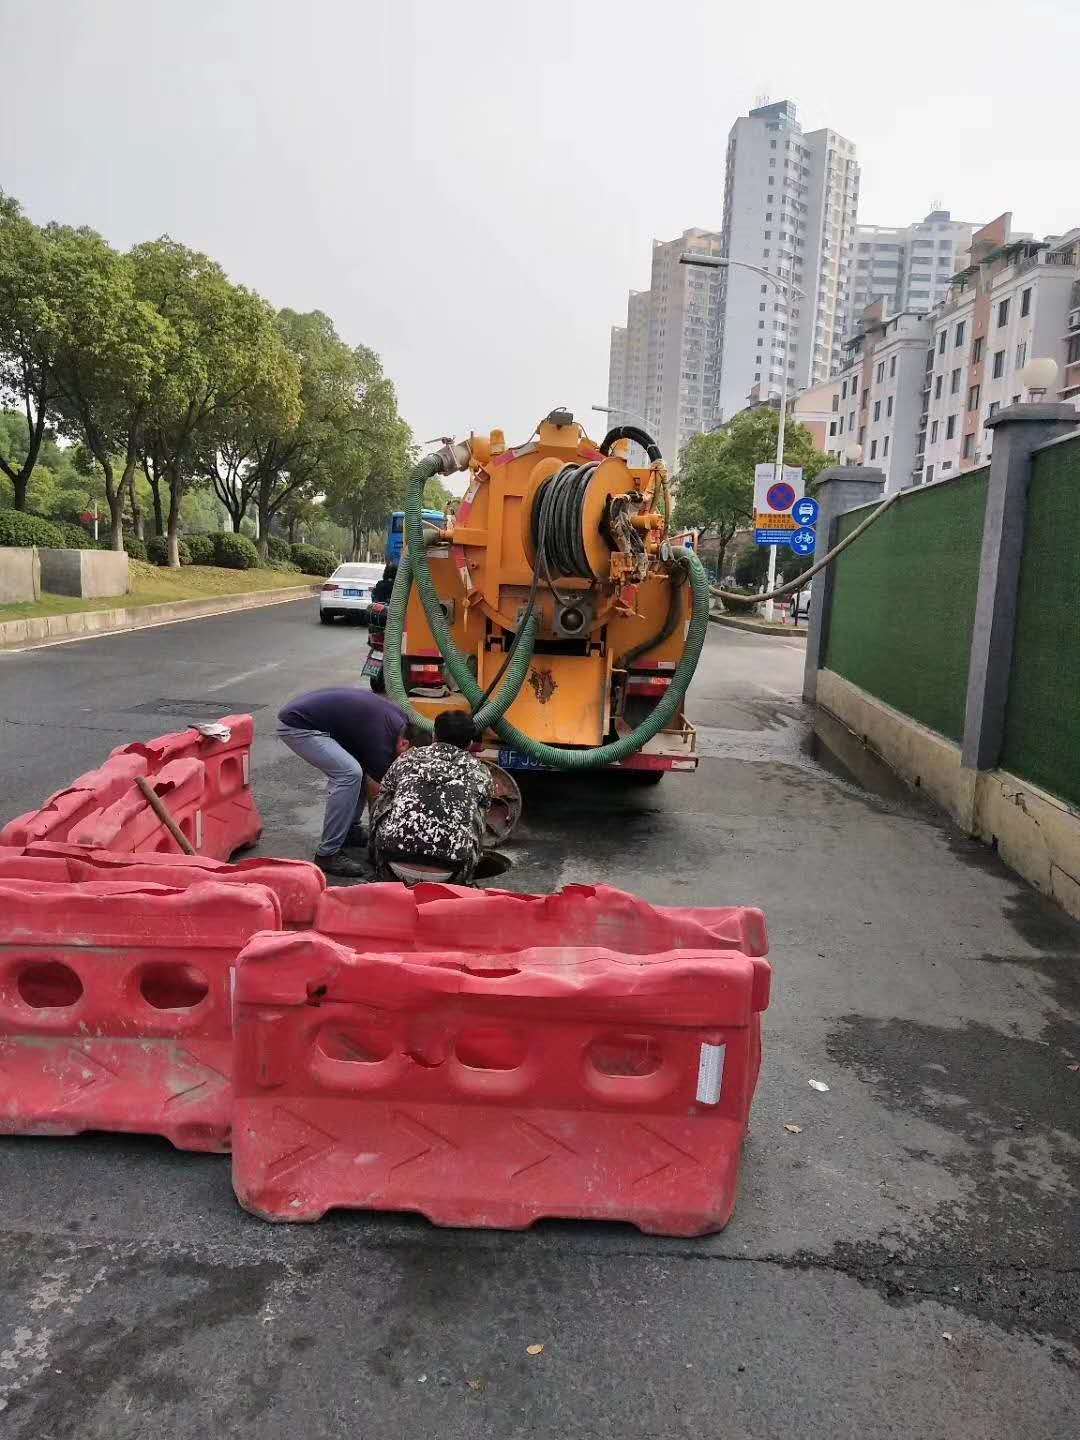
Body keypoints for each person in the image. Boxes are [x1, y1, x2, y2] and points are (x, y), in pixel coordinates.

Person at [277, 686, 427, 878]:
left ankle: (349, 831)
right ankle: (328, 854)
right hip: (298, 724)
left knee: (360, 768)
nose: (406, 764)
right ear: (404, 744)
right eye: (408, 758)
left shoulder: (401, 725)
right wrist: (379, 842)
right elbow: (378, 793)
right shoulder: (380, 740)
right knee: (349, 774)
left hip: (313, 716)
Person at [370, 709, 494, 886]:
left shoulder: (406, 759)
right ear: (470, 743)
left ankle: (377, 867)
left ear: (434, 735)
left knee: (386, 796)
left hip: (394, 864)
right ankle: (465, 881)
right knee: (478, 808)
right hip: (450, 871)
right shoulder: (480, 771)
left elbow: (382, 795)